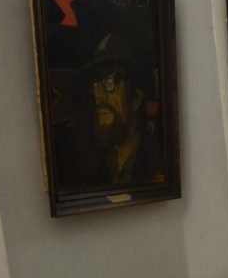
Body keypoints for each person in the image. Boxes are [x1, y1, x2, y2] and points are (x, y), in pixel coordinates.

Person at [62, 34, 166, 190]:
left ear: (136, 98)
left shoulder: (156, 164)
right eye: (95, 85)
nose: (99, 96)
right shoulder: (94, 166)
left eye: (109, 81)